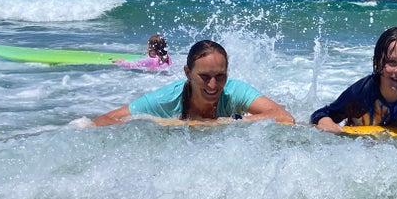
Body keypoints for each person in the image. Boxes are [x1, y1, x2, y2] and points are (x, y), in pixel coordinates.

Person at [93, 39, 295, 126]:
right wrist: (159, 124)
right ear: (188, 73)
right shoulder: (166, 99)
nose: (213, 86)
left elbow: (284, 117)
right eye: (204, 77)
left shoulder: (235, 90)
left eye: (220, 76)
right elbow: (103, 120)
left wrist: (226, 123)